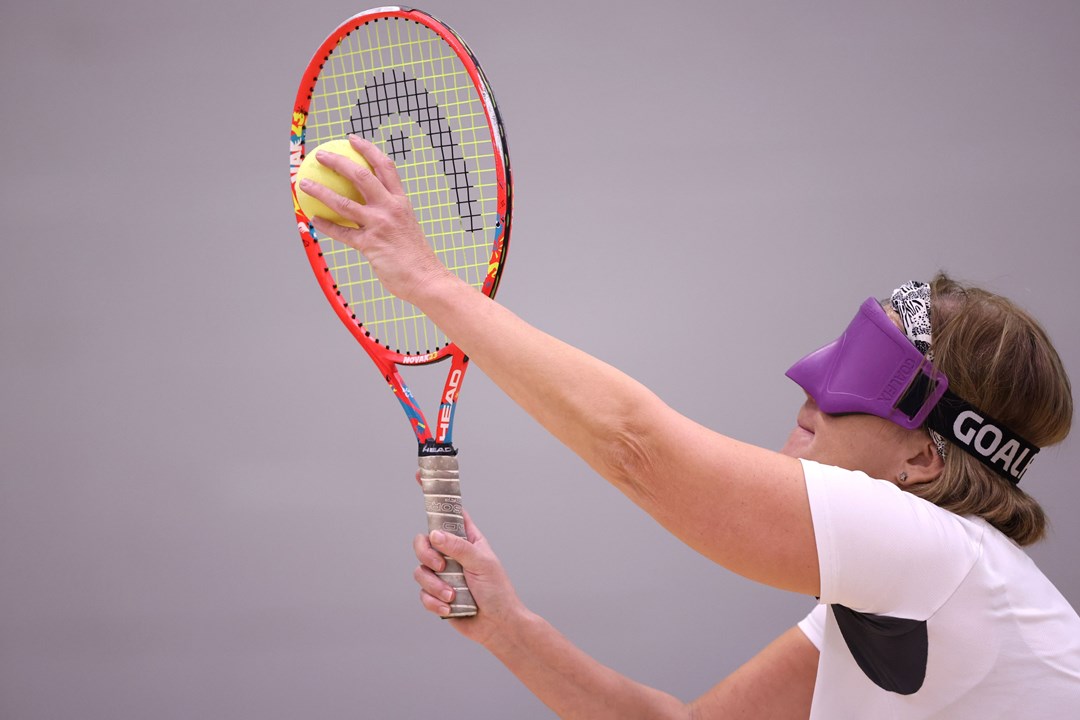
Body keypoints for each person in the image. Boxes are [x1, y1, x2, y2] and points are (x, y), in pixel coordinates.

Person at [298, 136, 1080, 718]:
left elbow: (636, 448)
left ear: (921, 457)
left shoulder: (938, 559)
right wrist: (510, 629)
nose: (810, 389)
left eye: (863, 376)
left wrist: (427, 281)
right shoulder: (905, 597)